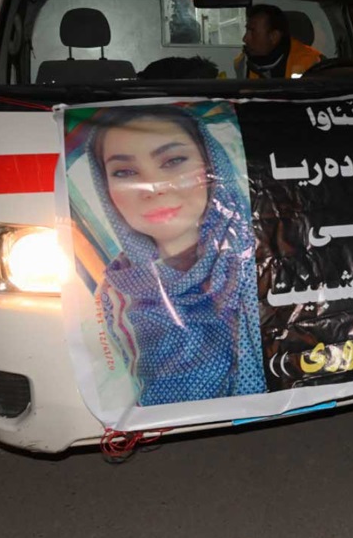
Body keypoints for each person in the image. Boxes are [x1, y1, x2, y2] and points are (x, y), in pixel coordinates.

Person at [85, 105, 265, 406]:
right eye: (125, 172)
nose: (153, 188)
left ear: (211, 167)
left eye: (173, 161)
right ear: (106, 189)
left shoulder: (263, 257)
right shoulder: (114, 297)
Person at [234, 4, 323, 78]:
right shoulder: (242, 63)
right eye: (247, 31)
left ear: (274, 37)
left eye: (252, 32)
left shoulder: (311, 62)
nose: (245, 39)